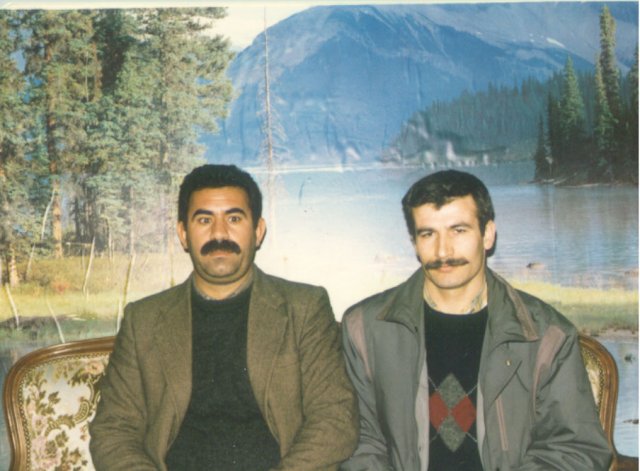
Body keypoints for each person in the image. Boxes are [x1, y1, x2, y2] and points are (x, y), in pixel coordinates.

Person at [90, 164, 358, 471]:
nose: (219, 233)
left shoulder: (304, 308)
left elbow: (335, 417)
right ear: (183, 234)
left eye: (234, 218)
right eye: (204, 220)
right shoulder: (143, 320)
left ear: (258, 231)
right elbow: (113, 431)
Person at [340, 170, 611, 471]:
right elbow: (359, 443)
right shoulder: (365, 328)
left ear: (488, 234)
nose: (443, 251)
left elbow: (575, 448)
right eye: (428, 234)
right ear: (414, 242)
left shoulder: (546, 334)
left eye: (458, 230)